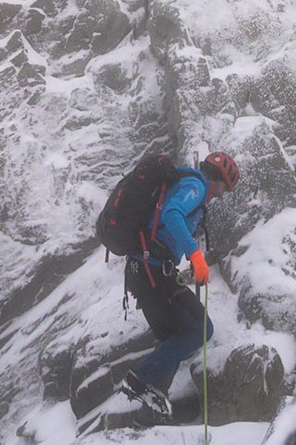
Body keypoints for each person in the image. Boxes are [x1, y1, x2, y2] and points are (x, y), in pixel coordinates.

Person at [118, 150, 241, 417]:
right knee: (202, 328)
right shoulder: (196, 186)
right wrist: (195, 255)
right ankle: (139, 380)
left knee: (177, 333)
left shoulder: (187, 184)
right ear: (218, 181)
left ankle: (150, 395)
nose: (221, 195)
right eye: (224, 189)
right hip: (151, 268)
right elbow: (172, 214)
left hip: (146, 268)